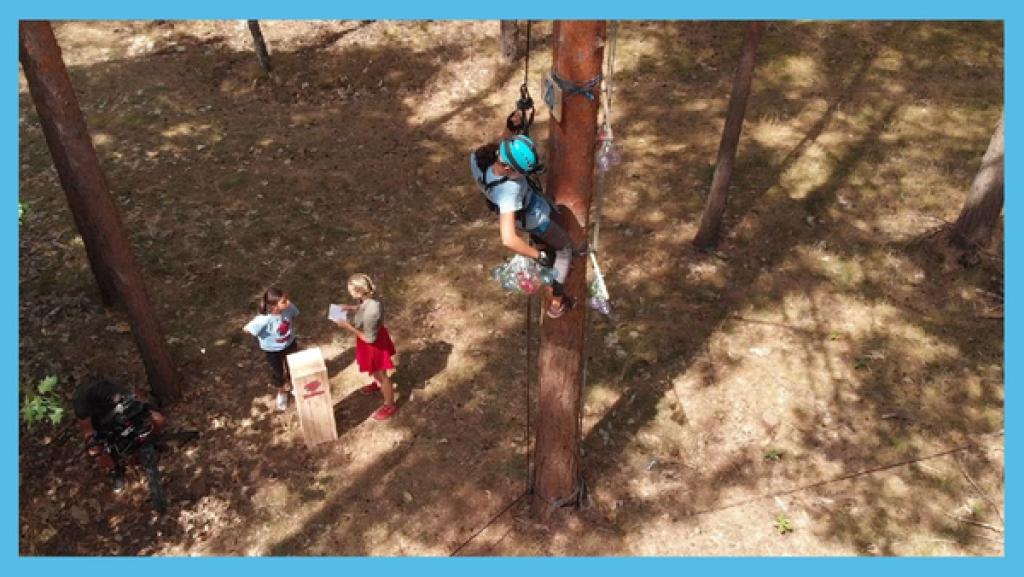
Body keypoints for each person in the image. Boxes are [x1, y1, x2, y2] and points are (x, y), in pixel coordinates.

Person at [469, 133, 578, 318]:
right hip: (534, 218)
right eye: (520, 172)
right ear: (507, 168)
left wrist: (510, 127)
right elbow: (508, 239)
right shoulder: (509, 192)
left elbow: (504, 147)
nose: (523, 176)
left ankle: (544, 249)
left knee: (548, 240)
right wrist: (538, 256)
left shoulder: (478, 160)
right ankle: (557, 303)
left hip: (526, 211)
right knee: (564, 248)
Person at [73, 379, 165, 493]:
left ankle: (153, 440)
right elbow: (87, 431)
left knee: (156, 418)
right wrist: (94, 441)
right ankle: (116, 470)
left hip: (120, 413)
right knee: (95, 450)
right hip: (100, 422)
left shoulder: (114, 388)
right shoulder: (81, 403)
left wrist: (143, 410)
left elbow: (137, 400)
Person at [332, 273, 398, 421]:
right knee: (373, 368)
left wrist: (347, 326)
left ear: (358, 291)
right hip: (368, 339)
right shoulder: (368, 300)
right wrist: (350, 308)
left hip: (373, 343)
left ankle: (389, 404)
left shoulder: (372, 311)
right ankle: (377, 384)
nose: (348, 291)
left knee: (382, 373)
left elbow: (370, 338)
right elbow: (363, 307)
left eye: (350, 289)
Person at [243, 286, 299, 411]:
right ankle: (282, 391)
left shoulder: (289, 307)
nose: (288, 302)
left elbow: (294, 315)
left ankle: (294, 385)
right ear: (274, 306)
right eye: (284, 301)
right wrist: (261, 335)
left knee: (293, 367)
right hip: (273, 351)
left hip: (290, 344)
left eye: (287, 299)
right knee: (278, 373)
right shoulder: (264, 319)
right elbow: (247, 329)